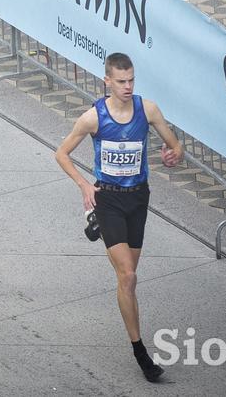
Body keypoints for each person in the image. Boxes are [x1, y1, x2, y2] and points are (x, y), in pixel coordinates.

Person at [55, 52, 184, 383]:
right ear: (107, 81)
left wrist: (172, 154)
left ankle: (100, 232)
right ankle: (141, 352)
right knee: (127, 276)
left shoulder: (148, 109)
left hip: (138, 198)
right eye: (121, 81)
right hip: (108, 199)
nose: (128, 87)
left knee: (130, 276)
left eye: (132, 81)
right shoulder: (93, 118)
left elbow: (175, 145)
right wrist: (85, 185)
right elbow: (62, 153)